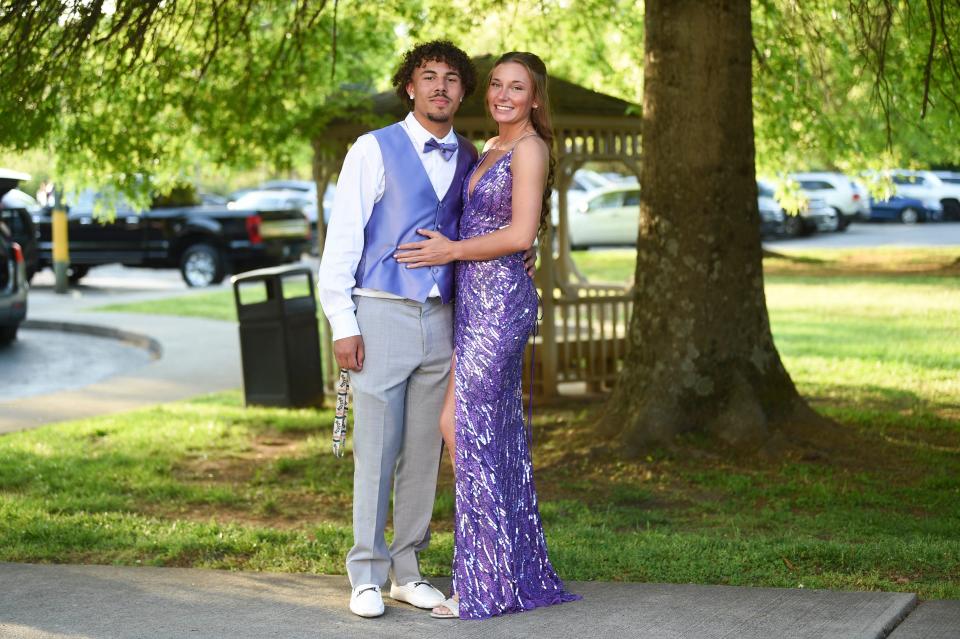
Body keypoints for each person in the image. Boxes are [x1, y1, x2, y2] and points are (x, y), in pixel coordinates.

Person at [394, 51, 581, 620]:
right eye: (496, 84)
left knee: (459, 424)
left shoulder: (529, 148)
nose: (502, 94)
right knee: (488, 435)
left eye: (516, 87)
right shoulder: (488, 148)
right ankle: (507, 574)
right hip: (472, 303)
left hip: (500, 305)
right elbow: (493, 224)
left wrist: (451, 251)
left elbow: (520, 231)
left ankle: (484, 583)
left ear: (535, 98)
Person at [317, 40, 478, 619]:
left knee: (422, 451)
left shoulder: (471, 156)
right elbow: (342, 242)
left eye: (451, 78)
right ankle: (365, 572)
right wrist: (343, 321)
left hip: (442, 317)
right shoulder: (373, 148)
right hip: (380, 310)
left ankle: (407, 571)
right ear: (409, 86)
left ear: (463, 91)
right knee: (376, 451)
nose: (440, 87)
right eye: (428, 76)